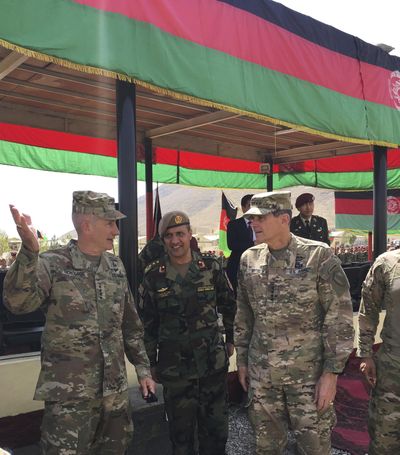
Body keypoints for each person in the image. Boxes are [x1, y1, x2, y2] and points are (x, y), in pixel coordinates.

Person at [3, 191, 156, 455]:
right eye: (110, 222)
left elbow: (130, 325)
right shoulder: (53, 263)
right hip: (69, 401)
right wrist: (29, 252)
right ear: (87, 225)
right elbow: (18, 303)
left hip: (114, 395)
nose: (116, 230)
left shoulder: (115, 267)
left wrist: (143, 370)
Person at [235, 191, 354, 455]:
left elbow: (340, 316)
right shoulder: (249, 260)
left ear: (284, 219)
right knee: (266, 447)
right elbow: (243, 315)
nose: (253, 224)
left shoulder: (318, 256)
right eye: (251, 218)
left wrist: (331, 373)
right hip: (263, 376)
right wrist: (242, 361)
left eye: (260, 218)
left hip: (307, 378)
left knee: (314, 447)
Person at [141, 211, 236, 455]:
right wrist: (151, 363)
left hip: (212, 367)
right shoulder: (154, 276)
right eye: (169, 236)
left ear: (190, 234)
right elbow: (148, 324)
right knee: (180, 437)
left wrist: (231, 340)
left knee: (215, 434)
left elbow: (230, 306)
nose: (175, 241)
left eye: (180, 234)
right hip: (175, 371)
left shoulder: (211, 267)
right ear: (162, 240)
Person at [357, 249, 400, 455]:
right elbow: (369, 310)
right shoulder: (387, 263)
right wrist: (366, 353)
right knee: (384, 440)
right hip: (393, 367)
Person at [226, 194, 254, 295]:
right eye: (250, 205)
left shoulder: (262, 225)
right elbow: (232, 245)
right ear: (243, 208)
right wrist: (253, 245)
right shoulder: (234, 225)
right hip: (238, 266)